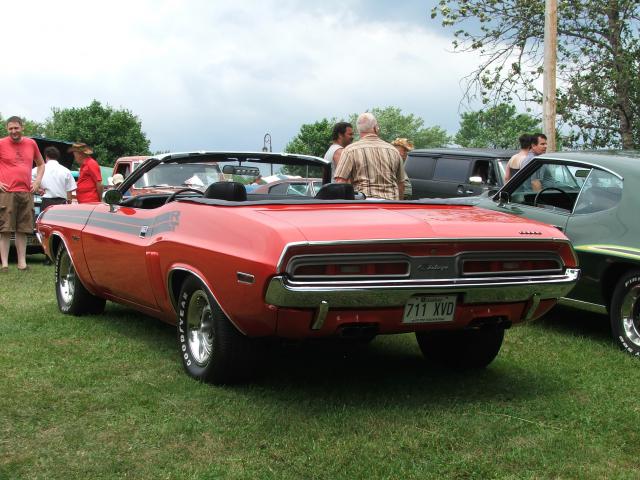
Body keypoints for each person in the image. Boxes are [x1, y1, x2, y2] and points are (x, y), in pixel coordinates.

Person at [0, 116, 45, 271]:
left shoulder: (31, 143)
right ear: (7, 129)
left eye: (16, 128)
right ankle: (4, 264)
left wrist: (37, 181)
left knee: (23, 229)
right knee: (5, 229)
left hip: (26, 192)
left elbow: (41, 164)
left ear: (22, 127)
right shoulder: (1, 143)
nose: (14, 131)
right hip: (7, 192)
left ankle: (22, 263)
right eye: (11, 128)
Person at [334, 113, 405, 200]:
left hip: (363, 204)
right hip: (390, 204)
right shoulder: (393, 150)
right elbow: (401, 184)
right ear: (376, 128)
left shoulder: (350, 150)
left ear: (358, 130)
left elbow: (340, 182)